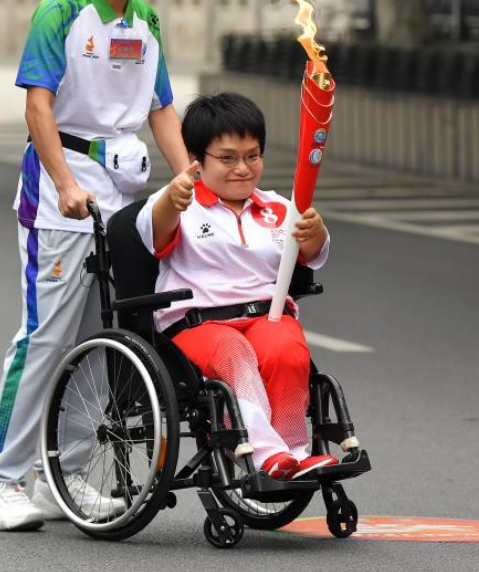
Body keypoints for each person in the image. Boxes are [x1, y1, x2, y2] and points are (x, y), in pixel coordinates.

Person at [0, 0, 191, 531]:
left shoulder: (146, 22)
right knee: (46, 335)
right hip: (61, 192)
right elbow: (38, 105)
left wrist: (191, 180)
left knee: (103, 337)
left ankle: (59, 478)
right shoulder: (61, 11)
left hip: (124, 189)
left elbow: (162, 109)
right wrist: (65, 182)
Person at [136, 92, 338, 480]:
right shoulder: (180, 201)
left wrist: (316, 230)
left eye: (252, 156)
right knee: (235, 354)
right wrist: (171, 201)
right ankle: (263, 453)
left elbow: (311, 253)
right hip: (198, 325)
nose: (243, 168)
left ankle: (293, 451)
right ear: (197, 159)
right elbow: (156, 236)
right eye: (227, 158)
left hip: (266, 315)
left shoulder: (278, 207)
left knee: (287, 350)